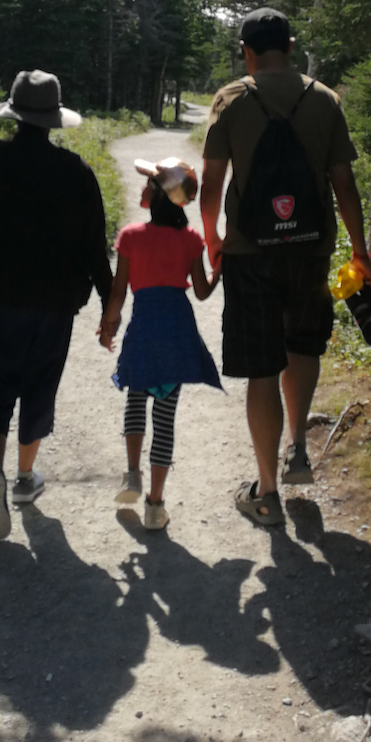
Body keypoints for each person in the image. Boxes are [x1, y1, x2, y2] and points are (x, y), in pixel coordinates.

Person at [200, 8, 371, 528]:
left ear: (246, 51)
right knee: (301, 346)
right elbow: (344, 185)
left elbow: (211, 183)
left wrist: (212, 239)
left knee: (261, 366)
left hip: (250, 254)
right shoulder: (325, 100)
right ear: (291, 48)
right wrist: (359, 251)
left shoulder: (231, 99)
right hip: (310, 249)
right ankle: (298, 448)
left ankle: (267, 493)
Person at [0, 69, 111, 541]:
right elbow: (96, 247)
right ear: (54, 120)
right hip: (54, 306)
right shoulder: (77, 173)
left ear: (14, 113)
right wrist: (111, 307)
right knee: (38, 388)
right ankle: (24, 479)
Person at [99, 157, 221, 531]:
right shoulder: (190, 240)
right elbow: (200, 293)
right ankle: (155, 505)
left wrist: (108, 326)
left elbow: (118, 291)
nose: (142, 190)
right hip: (178, 332)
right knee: (165, 418)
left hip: (144, 329)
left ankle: (132, 474)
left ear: (158, 194)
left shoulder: (132, 237)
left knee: (135, 400)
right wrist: (219, 271)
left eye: (147, 185)